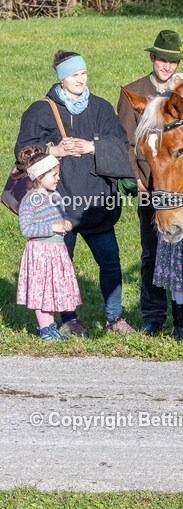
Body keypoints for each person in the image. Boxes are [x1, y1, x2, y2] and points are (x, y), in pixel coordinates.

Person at [15, 51, 133, 335]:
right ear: (61, 78)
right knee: (61, 267)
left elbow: (123, 147)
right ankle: (69, 319)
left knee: (110, 261)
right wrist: (53, 151)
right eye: (74, 75)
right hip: (57, 206)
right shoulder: (39, 111)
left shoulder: (102, 108)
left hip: (96, 203)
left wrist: (94, 147)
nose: (80, 79)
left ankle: (114, 318)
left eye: (83, 73)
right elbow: (23, 154)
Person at [117, 30, 183, 338]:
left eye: (172, 61)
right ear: (152, 58)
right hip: (151, 185)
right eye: (162, 59)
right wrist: (136, 179)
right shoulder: (135, 92)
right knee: (152, 251)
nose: (167, 67)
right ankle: (153, 314)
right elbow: (125, 143)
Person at [16, 147, 81, 341]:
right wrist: (52, 227)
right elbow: (27, 228)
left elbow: (61, 217)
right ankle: (45, 329)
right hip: (41, 251)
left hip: (56, 250)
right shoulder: (30, 200)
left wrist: (67, 222)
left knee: (52, 288)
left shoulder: (55, 196)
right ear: (39, 176)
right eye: (53, 175)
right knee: (42, 289)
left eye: (58, 174)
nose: (57, 178)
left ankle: (51, 326)